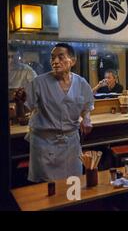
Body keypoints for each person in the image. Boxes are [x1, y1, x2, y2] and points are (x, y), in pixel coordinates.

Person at [25, 43, 94, 182]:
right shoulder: (38, 83)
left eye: (60, 57)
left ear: (72, 61)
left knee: (73, 186)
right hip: (45, 143)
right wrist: (19, 101)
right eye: (52, 58)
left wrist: (86, 118)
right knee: (46, 191)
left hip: (71, 144)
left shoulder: (81, 83)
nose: (55, 62)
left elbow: (87, 105)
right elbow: (25, 109)